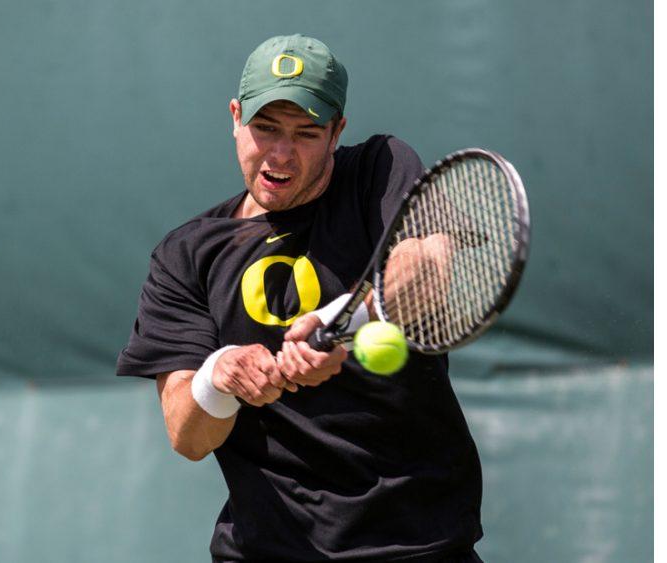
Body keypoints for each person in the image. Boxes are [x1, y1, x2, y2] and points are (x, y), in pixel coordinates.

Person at [116, 35, 484, 562]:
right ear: (235, 116)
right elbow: (187, 434)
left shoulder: (377, 169)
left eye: (306, 133)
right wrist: (222, 374)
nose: (280, 154)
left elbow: (428, 267)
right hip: (266, 549)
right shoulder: (185, 254)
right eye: (265, 128)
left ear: (337, 131)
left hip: (418, 543)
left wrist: (341, 323)